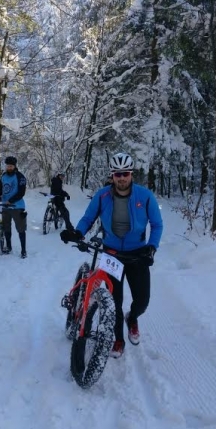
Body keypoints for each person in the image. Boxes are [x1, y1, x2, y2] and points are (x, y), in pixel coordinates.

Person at [60, 152, 163, 358]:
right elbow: (88, 218)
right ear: (112, 176)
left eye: (125, 173)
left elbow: (157, 224)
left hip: (137, 254)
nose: (121, 178)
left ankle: (132, 318)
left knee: (142, 300)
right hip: (111, 254)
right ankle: (117, 339)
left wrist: (151, 247)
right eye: (117, 174)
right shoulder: (102, 195)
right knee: (113, 300)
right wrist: (78, 233)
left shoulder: (145, 196)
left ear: (131, 174)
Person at [0, 156, 28, 258]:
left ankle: (23, 250)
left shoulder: (20, 177)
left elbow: (21, 192)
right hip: (5, 206)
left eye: (11, 166)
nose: (9, 168)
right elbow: (0, 187)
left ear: (14, 166)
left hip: (17, 206)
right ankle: (9, 247)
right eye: (7, 166)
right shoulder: (4, 176)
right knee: (6, 227)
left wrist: (11, 200)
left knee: (21, 229)